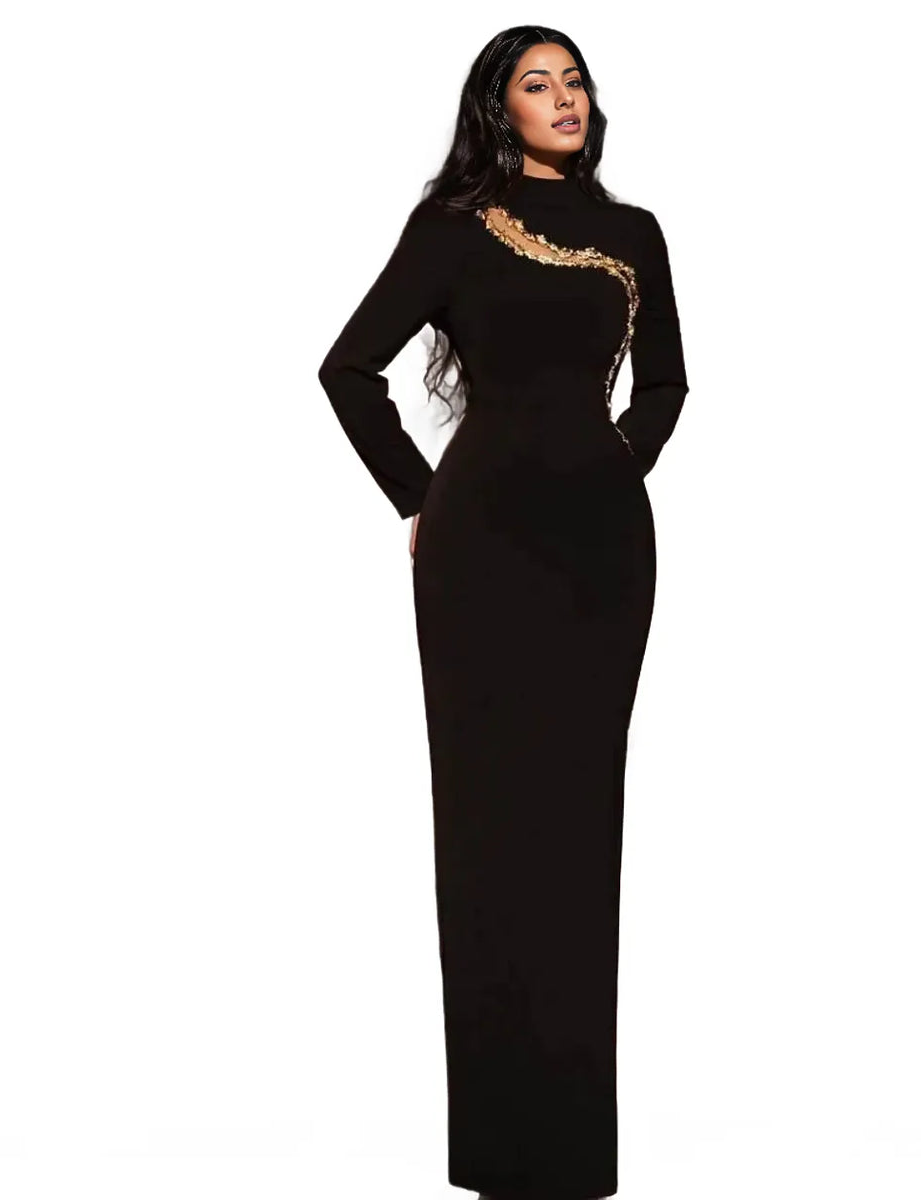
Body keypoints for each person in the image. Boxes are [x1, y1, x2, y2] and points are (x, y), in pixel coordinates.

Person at [316, 25, 688, 1200]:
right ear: (499, 107)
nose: (565, 98)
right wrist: (419, 499)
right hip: (479, 551)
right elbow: (346, 370)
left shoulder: (635, 234)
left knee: (580, 825)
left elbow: (667, 382)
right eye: (538, 84)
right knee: (487, 826)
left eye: (574, 80)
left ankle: (570, 1153)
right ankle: (500, 1151)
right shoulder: (452, 228)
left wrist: (614, 462)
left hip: (601, 552)